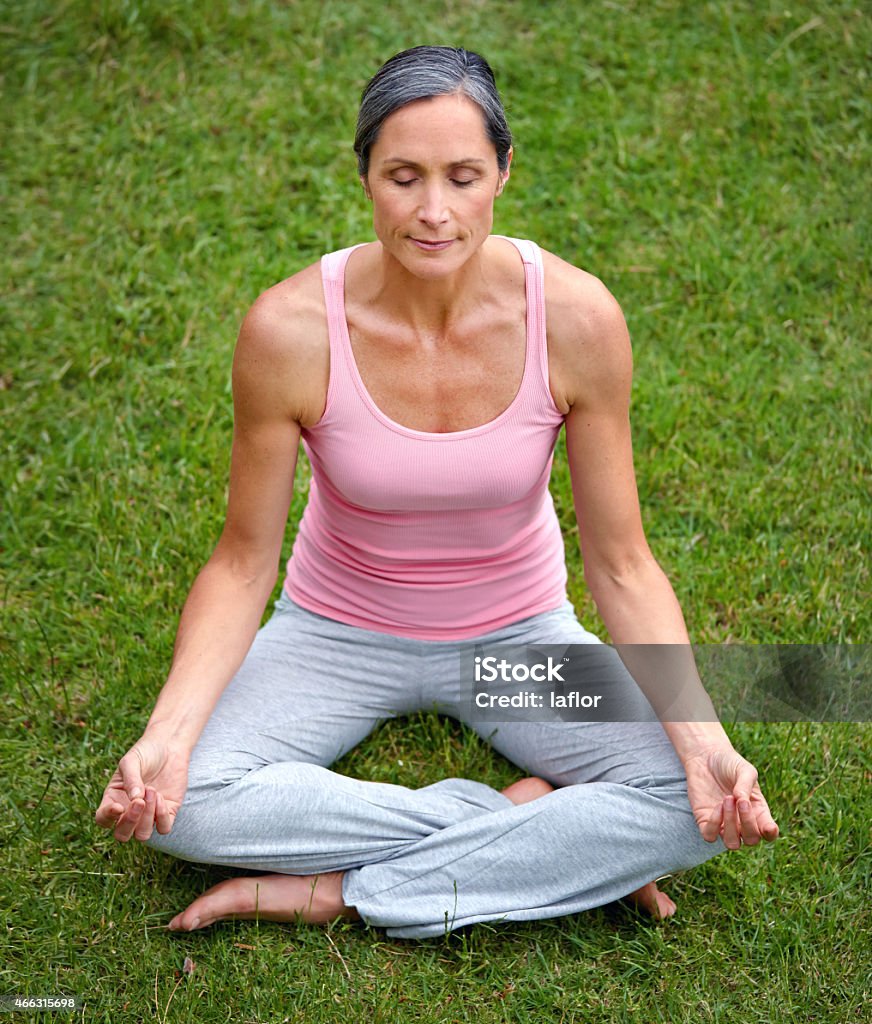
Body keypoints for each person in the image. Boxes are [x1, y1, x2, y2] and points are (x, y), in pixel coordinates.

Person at [94, 46, 778, 939]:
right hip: (334, 634)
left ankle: (340, 892)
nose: (433, 212)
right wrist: (167, 734)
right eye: (402, 177)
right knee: (186, 802)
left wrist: (703, 740)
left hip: (517, 639)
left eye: (462, 176)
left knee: (697, 798)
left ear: (503, 173)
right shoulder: (289, 330)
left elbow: (622, 562)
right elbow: (241, 562)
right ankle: (532, 839)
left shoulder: (575, 319)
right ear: (366, 178)